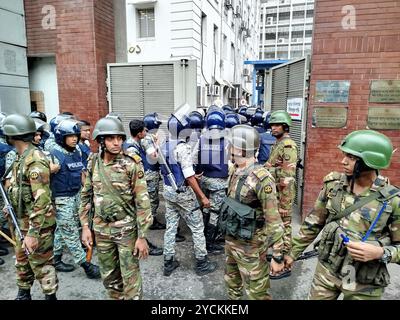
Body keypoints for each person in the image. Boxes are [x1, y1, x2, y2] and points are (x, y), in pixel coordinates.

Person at [286, 130, 400, 300]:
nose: (343, 161)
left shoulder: (392, 201)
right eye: (345, 155)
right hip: (327, 271)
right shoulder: (333, 186)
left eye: (352, 158)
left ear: (371, 161)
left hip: (362, 281)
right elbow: (313, 223)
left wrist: (380, 252)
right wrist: (291, 254)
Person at [80, 117, 152, 300]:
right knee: (109, 277)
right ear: (101, 140)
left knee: (131, 279)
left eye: (119, 138)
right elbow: (86, 195)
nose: (116, 143)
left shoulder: (131, 163)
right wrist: (85, 227)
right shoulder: (94, 162)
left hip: (126, 230)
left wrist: (142, 236)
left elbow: (142, 201)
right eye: (111, 138)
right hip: (101, 229)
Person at [221, 124, 284, 300]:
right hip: (232, 240)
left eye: (230, 144)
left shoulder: (262, 178)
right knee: (232, 284)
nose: (228, 148)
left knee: (257, 293)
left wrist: (278, 255)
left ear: (240, 149)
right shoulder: (235, 169)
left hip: (252, 247)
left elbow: (274, 220)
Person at [2, 114, 58, 300]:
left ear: (11, 135)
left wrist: (34, 233)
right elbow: (21, 189)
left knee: (42, 264)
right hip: (23, 221)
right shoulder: (21, 157)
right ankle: (23, 293)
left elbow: (42, 200)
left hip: (37, 225)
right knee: (22, 261)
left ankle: (50, 296)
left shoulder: (34, 161)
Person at [160, 105, 217, 277]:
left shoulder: (165, 144)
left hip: (168, 190)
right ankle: (202, 262)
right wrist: (202, 197)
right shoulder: (182, 147)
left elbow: (173, 168)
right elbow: (188, 175)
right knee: (197, 226)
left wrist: (191, 176)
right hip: (183, 193)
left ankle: (168, 262)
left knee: (171, 226)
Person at [50, 119, 100, 278]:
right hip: (61, 198)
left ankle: (56, 258)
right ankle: (85, 264)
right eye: (70, 136)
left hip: (77, 194)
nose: (74, 139)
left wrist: (88, 192)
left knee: (62, 229)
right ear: (61, 137)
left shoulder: (77, 150)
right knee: (70, 230)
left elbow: (81, 173)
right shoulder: (52, 153)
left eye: (75, 136)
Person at [123, 119, 164, 256]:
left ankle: (142, 240)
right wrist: (156, 145)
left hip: (138, 182)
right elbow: (150, 159)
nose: (146, 133)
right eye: (144, 131)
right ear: (139, 133)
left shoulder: (135, 142)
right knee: (138, 214)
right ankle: (140, 243)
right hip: (135, 184)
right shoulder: (131, 148)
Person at [264, 110, 297, 276]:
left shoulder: (288, 145)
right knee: (277, 226)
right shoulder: (277, 143)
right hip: (276, 192)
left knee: (285, 227)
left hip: (284, 194)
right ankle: (278, 254)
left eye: (277, 125)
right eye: (272, 125)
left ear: (285, 126)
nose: (273, 128)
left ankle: (284, 263)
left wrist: (284, 203)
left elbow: (287, 177)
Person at [197, 107, 228, 255]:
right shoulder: (227, 139)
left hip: (204, 180)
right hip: (220, 182)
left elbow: (195, 159)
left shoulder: (201, 138)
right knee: (215, 213)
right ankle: (209, 243)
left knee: (205, 209)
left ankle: (202, 238)